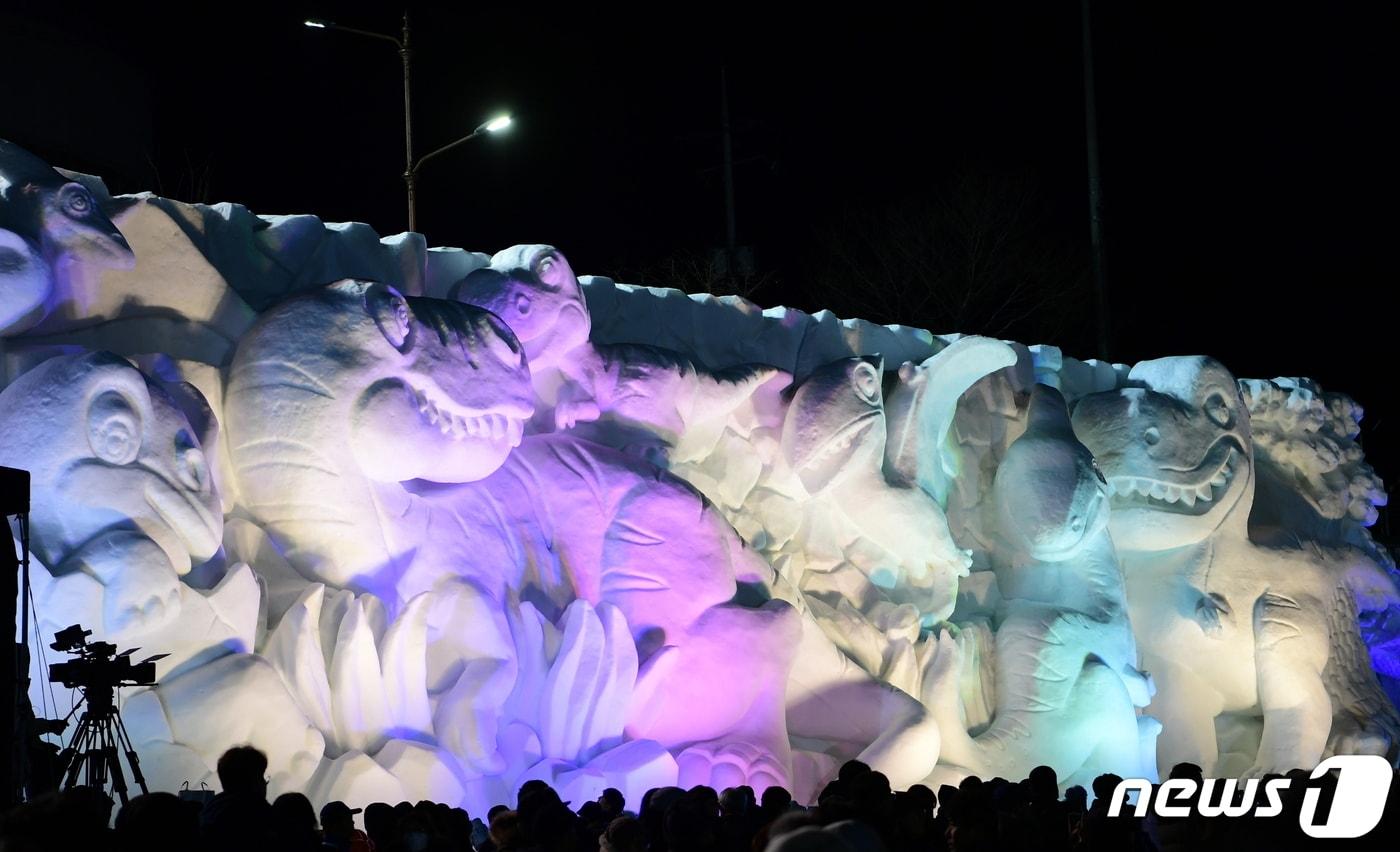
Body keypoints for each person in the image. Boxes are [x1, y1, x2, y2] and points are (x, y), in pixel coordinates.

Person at [201, 746, 276, 852]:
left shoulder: (210, 810)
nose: (265, 783)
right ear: (253, 781)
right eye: (262, 777)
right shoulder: (260, 816)